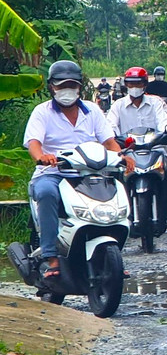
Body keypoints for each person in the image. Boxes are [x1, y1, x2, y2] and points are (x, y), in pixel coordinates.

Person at [24, 61, 131, 281]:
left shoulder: (92, 110)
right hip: (53, 173)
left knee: (117, 190)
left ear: (79, 86)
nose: (67, 90)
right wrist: (42, 157)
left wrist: (121, 157)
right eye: (62, 86)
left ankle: (114, 254)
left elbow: (109, 141)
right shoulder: (41, 112)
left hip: (89, 172)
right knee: (46, 193)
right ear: (52, 87)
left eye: (72, 85)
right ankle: (51, 256)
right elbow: (34, 142)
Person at [110, 67, 167, 221]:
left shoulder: (156, 103)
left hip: (155, 148)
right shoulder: (118, 105)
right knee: (110, 170)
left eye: (138, 84)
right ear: (126, 85)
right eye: (131, 84)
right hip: (127, 149)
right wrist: (110, 137)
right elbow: (110, 125)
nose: (134, 87)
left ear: (145, 84)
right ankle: (115, 207)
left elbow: (164, 121)